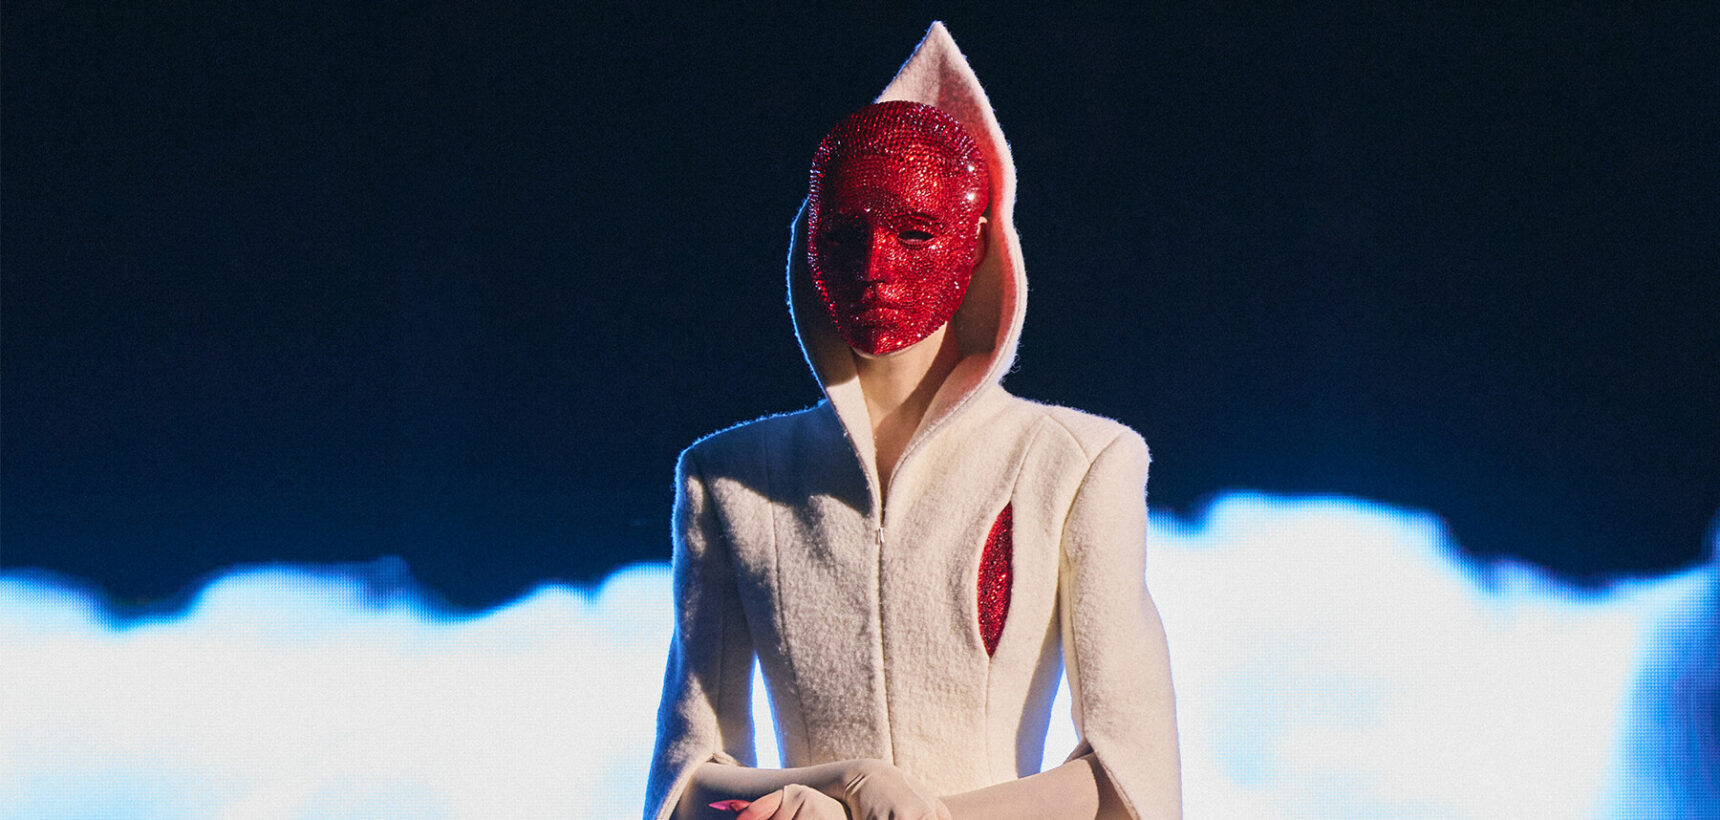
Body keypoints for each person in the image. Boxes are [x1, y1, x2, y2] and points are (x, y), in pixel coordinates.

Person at [645, 23, 1180, 820]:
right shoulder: (730, 479)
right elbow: (684, 778)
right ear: (808, 244)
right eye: (843, 236)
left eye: (916, 232)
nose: (875, 267)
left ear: (976, 244)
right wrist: (840, 784)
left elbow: (1133, 773)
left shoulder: (1076, 461)